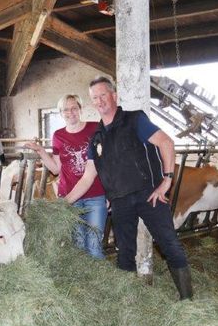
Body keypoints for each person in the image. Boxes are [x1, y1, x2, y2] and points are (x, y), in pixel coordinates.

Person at [64, 76, 193, 300]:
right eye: (95, 98)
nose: (99, 101)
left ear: (114, 96)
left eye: (103, 95)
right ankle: (129, 302)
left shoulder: (135, 120)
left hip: (149, 194)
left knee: (169, 243)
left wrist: (167, 181)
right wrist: (63, 203)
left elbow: (166, 143)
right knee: (125, 253)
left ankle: (187, 299)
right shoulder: (96, 138)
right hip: (120, 201)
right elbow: (87, 177)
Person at [24, 94, 107, 259]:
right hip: (69, 197)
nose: (71, 112)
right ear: (61, 113)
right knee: (78, 245)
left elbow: (106, 162)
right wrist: (40, 151)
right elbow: (56, 169)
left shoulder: (95, 129)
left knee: (94, 245)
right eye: (66, 110)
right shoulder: (58, 136)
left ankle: (97, 282)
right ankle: (82, 282)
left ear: (80, 109)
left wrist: (110, 192)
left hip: (95, 195)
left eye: (74, 108)